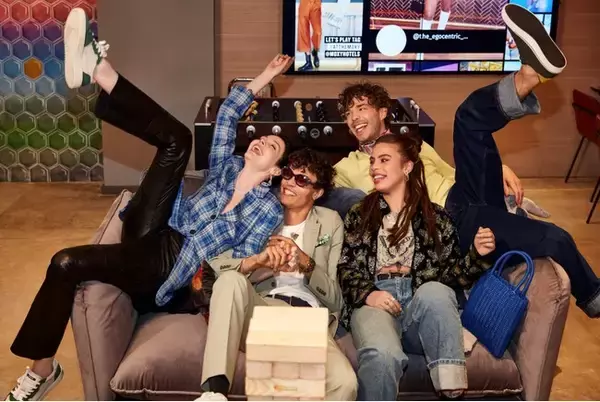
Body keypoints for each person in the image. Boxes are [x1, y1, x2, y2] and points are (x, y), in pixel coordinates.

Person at [5, 8, 295, 401]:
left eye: (272, 145)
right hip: (157, 229)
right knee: (178, 140)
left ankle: (42, 370)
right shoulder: (225, 168)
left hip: (174, 270)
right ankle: (100, 70)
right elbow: (227, 113)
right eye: (259, 137)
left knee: (64, 262)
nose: (260, 141)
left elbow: (238, 263)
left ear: (275, 170)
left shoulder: (267, 209)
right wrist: (266, 75)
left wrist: (233, 268)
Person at [335, 3, 600, 318]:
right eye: (348, 114)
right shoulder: (346, 167)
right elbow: (330, 200)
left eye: (361, 108)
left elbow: (455, 172)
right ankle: (595, 298)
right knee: (555, 237)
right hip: (441, 225)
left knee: (467, 119)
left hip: (464, 199)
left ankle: (529, 75)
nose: (354, 117)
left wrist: (495, 168)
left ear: (382, 112)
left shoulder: (414, 147)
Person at [337, 133, 496, 400]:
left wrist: (476, 255)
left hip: (419, 308)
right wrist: (369, 294)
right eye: (373, 161)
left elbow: (451, 278)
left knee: (436, 291)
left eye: (384, 160)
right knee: (383, 355)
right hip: (375, 304)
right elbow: (346, 267)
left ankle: (452, 391)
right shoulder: (360, 213)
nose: (374, 167)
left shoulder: (436, 217)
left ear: (407, 166)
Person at [197, 148, 357, 401]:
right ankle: (214, 393)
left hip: (308, 317)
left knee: (344, 383)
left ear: (317, 192)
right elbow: (215, 267)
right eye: (287, 174)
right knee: (230, 280)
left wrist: (306, 263)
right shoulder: (259, 213)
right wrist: (257, 262)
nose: (289, 182)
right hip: (262, 309)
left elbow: (336, 299)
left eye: (301, 179)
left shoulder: (330, 221)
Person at [297, 0, 322, 71]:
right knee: (303, 31)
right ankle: (308, 62)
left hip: (316, 3)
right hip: (304, 3)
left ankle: (315, 51)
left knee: (318, 32)